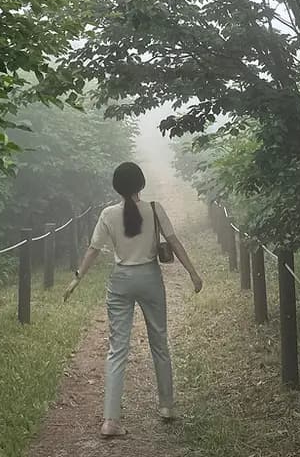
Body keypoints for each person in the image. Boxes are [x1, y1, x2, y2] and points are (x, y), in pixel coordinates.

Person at [65, 161, 202, 438]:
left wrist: (77, 278)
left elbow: (93, 249)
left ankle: (110, 421)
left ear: (116, 186)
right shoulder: (154, 209)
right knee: (159, 342)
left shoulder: (108, 214)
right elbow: (174, 241)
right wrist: (193, 273)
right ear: (141, 184)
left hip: (121, 280)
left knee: (117, 350)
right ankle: (166, 406)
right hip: (150, 278)